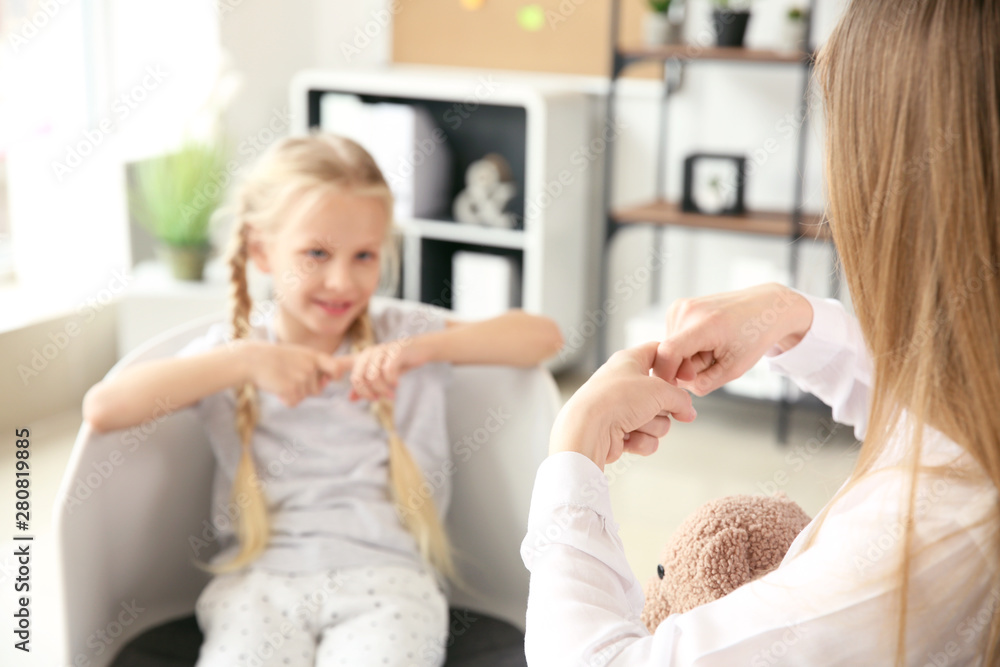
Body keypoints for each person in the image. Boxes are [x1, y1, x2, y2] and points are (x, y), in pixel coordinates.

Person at [520, 1, 1000, 665]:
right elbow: (942, 416)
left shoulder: (916, 543)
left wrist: (571, 459)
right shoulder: (974, 437)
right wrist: (793, 317)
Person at [83, 132, 563, 667]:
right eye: (316, 253)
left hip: (391, 584)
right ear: (262, 251)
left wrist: (421, 350)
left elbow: (543, 337)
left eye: (364, 255)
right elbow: (105, 408)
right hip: (258, 587)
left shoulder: (403, 332)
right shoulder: (233, 352)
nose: (342, 280)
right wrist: (244, 363)